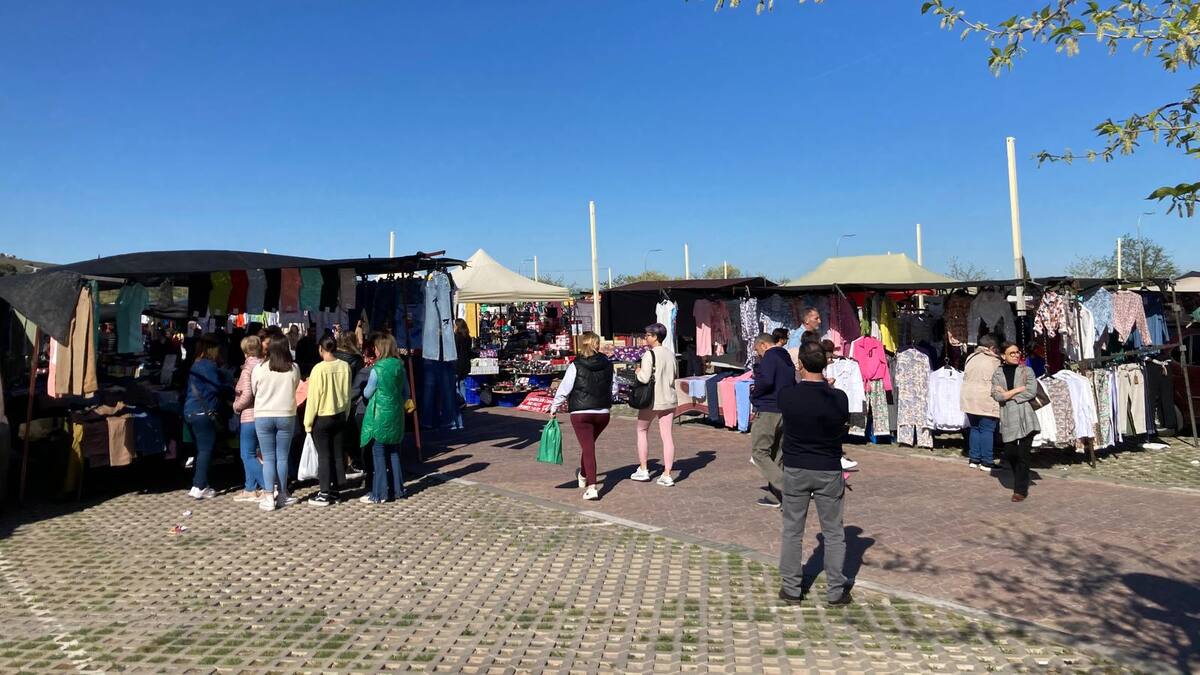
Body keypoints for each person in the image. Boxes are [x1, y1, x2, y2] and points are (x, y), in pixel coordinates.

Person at [777, 341, 853, 607]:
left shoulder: (788, 395)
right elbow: (842, 424)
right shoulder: (839, 398)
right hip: (828, 467)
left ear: (800, 366)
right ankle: (835, 590)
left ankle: (791, 589)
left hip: (796, 467)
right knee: (833, 532)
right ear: (826, 363)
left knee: (792, 530)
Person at [551, 332, 617, 501]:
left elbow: (564, 388)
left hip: (581, 412)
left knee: (588, 447)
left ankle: (592, 486)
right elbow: (614, 388)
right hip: (602, 413)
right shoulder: (608, 364)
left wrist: (554, 407)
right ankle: (582, 474)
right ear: (596, 345)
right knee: (588, 445)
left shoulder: (576, 365)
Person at [360, 334, 416, 504]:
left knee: (378, 454)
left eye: (376, 347)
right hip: (396, 414)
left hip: (380, 415)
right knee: (394, 452)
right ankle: (398, 489)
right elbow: (406, 392)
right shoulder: (400, 366)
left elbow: (367, 393)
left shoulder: (377, 369)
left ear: (380, 349)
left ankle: (379, 493)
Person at [252, 339, 301, 511]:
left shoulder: (259, 368)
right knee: (282, 457)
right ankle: (282, 494)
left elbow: (253, 390)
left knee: (268, 457)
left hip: (263, 415)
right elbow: (296, 386)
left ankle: (267, 496)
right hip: (286, 414)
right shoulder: (294, 368)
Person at [304, 334, 352, 506]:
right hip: (340, 415)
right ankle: (336, 490)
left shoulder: (318, 369)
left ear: (320, 349)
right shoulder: (345, 366)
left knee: (324, 455)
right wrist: (345, 414)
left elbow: (313, 399)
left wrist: (307, 423)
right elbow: (347, 394)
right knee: (337, 453)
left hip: (323, 416)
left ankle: (324, 492)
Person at [750, 333, 795, 508]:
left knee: (759, 452)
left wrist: (754, 393)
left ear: (762, 345)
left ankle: (787, 488)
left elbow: (766, 381)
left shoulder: (770, 357)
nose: (758, 354)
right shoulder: (787, 359)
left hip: (769, 409)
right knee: (777, 454)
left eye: (757, 350)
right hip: (785, 409)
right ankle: (775, 496)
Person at [992, 342, 1040, 502]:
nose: (1016, 355)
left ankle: (1020, 489)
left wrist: (1007, 395)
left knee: (1023, 455)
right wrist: (1017, 390)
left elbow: (1031, 392)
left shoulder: (1027, 371)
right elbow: (996, 396)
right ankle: (1021, 478)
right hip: (1007, 417)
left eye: (1017, 352)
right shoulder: (998, 373)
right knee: (1011, 452)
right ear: (1003, 356)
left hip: (1026, 416)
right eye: (1011, 353)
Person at [631, 323, 678, 486]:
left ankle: (643, 469)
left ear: (655, 337)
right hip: (669, 398)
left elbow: (644, 378)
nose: (645, 338)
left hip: (652, 400)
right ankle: (667, 474)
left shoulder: (649, 355)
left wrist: (637, 372)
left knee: (642, 430)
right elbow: (674, 375)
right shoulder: (670, 354)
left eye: (648, 335)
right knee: (667, 435)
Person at [183, 335, 226, 500]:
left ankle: (197, 484)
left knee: (200, 449)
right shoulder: (208, 366)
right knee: (205, 450)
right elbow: (216, 388)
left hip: (190, 411)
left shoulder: (195, 364)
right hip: (203, 412)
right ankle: (200, 485)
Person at [231, 335, 266, 502]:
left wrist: (236, 406)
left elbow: (246, 396)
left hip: (249, 415)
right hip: (262, 414)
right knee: (257, 453)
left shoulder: (247, 369)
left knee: (247, 454)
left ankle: (267, 486)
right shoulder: (264, 365)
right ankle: (250, 487)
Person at [961, 335, 1002, 471]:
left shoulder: (970, 357)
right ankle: (987, 461)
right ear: (991, 348)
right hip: (986, 398)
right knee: (987, 429)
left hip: (969, 397)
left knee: (974, 428)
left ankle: (974, 458)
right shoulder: (994, 361)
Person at [334, 331, 366, 476]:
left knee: (340, 433)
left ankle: (342, 463)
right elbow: (359, 382)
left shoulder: (334, 356)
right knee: (352, 433)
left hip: (336, 399)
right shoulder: (357, 359)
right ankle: (353, 462)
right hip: (351, 399)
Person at [453, 318, 473, 428]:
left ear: (457, 326)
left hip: (457, 363)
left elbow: (455, 350)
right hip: (466, 363)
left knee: (455, 384)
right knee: (461, 383)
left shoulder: (456, 337)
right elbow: (469, 351)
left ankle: (461, 401)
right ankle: (464, 402)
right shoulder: (468, 337)